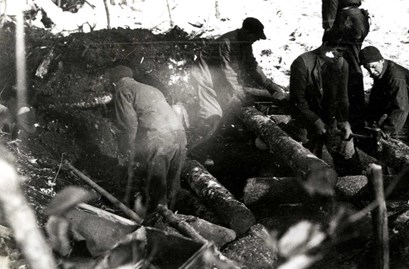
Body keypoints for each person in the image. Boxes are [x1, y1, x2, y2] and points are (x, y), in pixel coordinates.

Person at [190, 17, 287, 155]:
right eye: (256, 37)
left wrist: (269, 85)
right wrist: (242, 95)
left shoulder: (245, 43)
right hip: (203, 77)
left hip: (217, 78)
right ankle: (189, 150)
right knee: (212, 115)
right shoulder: (228, 42)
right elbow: (229, 72)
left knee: (228, 109)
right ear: (247, 32)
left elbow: (252, 66)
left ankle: (213, 145)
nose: (257, 40)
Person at [109, 65, 187, 216]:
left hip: (160, 136)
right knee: (173, 181)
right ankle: (177, 219)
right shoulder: (151, 88)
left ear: (114, 82)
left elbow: (129, 124)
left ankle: (158, 221)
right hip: (179, 133)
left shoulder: (122, 90)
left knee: (157, 184)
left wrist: (131, 148)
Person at [312, 0, 370, 131]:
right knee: (351, 63)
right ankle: (354, 113)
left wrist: (327, 24)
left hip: (345, 21)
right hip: (359, 19)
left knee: (330, 59)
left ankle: (341, 113)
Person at [289, 39, 358, 174]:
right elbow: (298, 100)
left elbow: (342, 95)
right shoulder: (302, 63)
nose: (340, 55)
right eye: (337, 51)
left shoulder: (342, 63)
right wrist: (315, 121)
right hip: (306, 116)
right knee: (308, 158)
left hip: (330, 115)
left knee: (346, 152)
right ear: (325, 45)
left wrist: (344, 120)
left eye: (343, 52)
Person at [360, 46, 409, 158]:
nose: (371, 71)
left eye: (373, 67)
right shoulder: (382, 72)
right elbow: (377, 100)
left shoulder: (395, 77)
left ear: (381, 60)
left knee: (394, 139)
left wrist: (386, 131)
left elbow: (401, 108)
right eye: (367, 68)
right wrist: (370, 119)